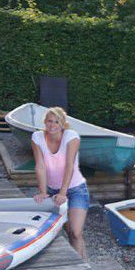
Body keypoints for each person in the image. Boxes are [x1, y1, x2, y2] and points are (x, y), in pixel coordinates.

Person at [31, 106, 90, 258]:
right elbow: (40, 166)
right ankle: (83, 262)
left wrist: (63, 192)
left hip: (76, 189)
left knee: (76, 232)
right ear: (45, 122)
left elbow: (69, 165)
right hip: (52, 191)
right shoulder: (37, 137)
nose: (52, 125)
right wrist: (43, 192)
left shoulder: (71, 137)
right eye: (50, 121)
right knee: (68, 231)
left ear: (63, 124)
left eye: (57, 122)